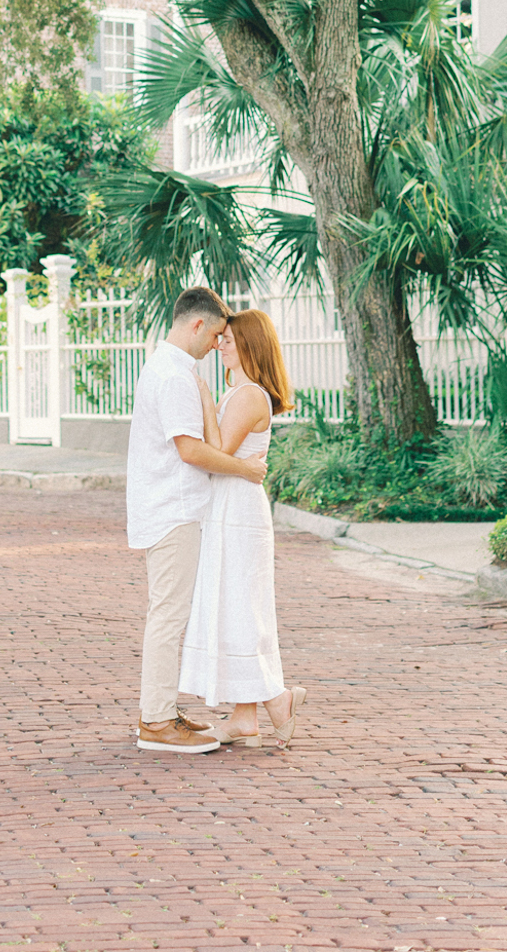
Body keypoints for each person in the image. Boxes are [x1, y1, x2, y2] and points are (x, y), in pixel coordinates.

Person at [126, 287, 269, 753]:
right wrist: (247, 470)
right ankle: (156, 722)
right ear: (197, 326)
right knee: (168, 614)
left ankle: (163, 712)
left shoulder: (173, 370)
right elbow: (191, 451)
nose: (216, 346)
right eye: (216, 336)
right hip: (174, 509)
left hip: (177, 507)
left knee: (170, 612)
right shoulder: (172, 376)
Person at [178, 309, 307, 748]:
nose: (220, 344)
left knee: (242, 607)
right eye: (220, 338)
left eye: (229, 339)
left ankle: (276, 698)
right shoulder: (240, 393)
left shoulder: (250, 395)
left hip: (239, 510)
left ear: (251, 344)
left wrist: (201, 394)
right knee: (233, 607)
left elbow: (217, 449)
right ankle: (245, 717)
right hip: (227, 505)